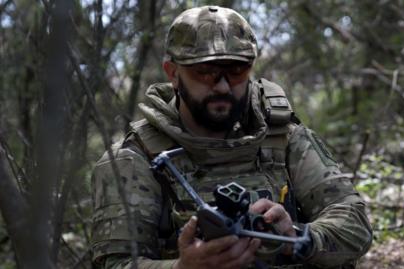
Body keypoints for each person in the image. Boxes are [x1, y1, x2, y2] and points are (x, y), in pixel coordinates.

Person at [91, 5, 372, 269]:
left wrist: (296, 238)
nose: (223, 85)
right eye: (205, 72)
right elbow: (115, 263)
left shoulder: (283, 139)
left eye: (236, 70)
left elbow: (354, 224)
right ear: (173, 74)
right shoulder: (135, 159)